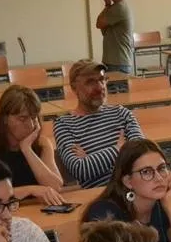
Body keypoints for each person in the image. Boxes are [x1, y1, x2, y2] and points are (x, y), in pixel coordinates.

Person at [0, 85, 66, 205]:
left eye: (34, 117)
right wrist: (30, 190)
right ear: (4, 118)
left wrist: (27, 149)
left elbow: (55, 186)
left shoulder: (42, 143)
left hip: (35, 209)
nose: (30, 125)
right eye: (22, 119)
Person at [53, 60, 144, 189]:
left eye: (102, 80)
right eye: (90, 82)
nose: (100, 87)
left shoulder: (121, 113)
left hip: (137, 189)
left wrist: (91, 160)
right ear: (74, 87)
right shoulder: (64, 125)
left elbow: (141, 151)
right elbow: (81, 170)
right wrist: (119, 149)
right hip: (101, 198)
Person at [95, 0, 133, 74]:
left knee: (115, 86)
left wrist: (107, 5)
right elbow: (101, 24)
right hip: (114, 61)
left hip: (118, 63)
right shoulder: (115, 7)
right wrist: (107, 5)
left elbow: (99, 23)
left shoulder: (119, 8)